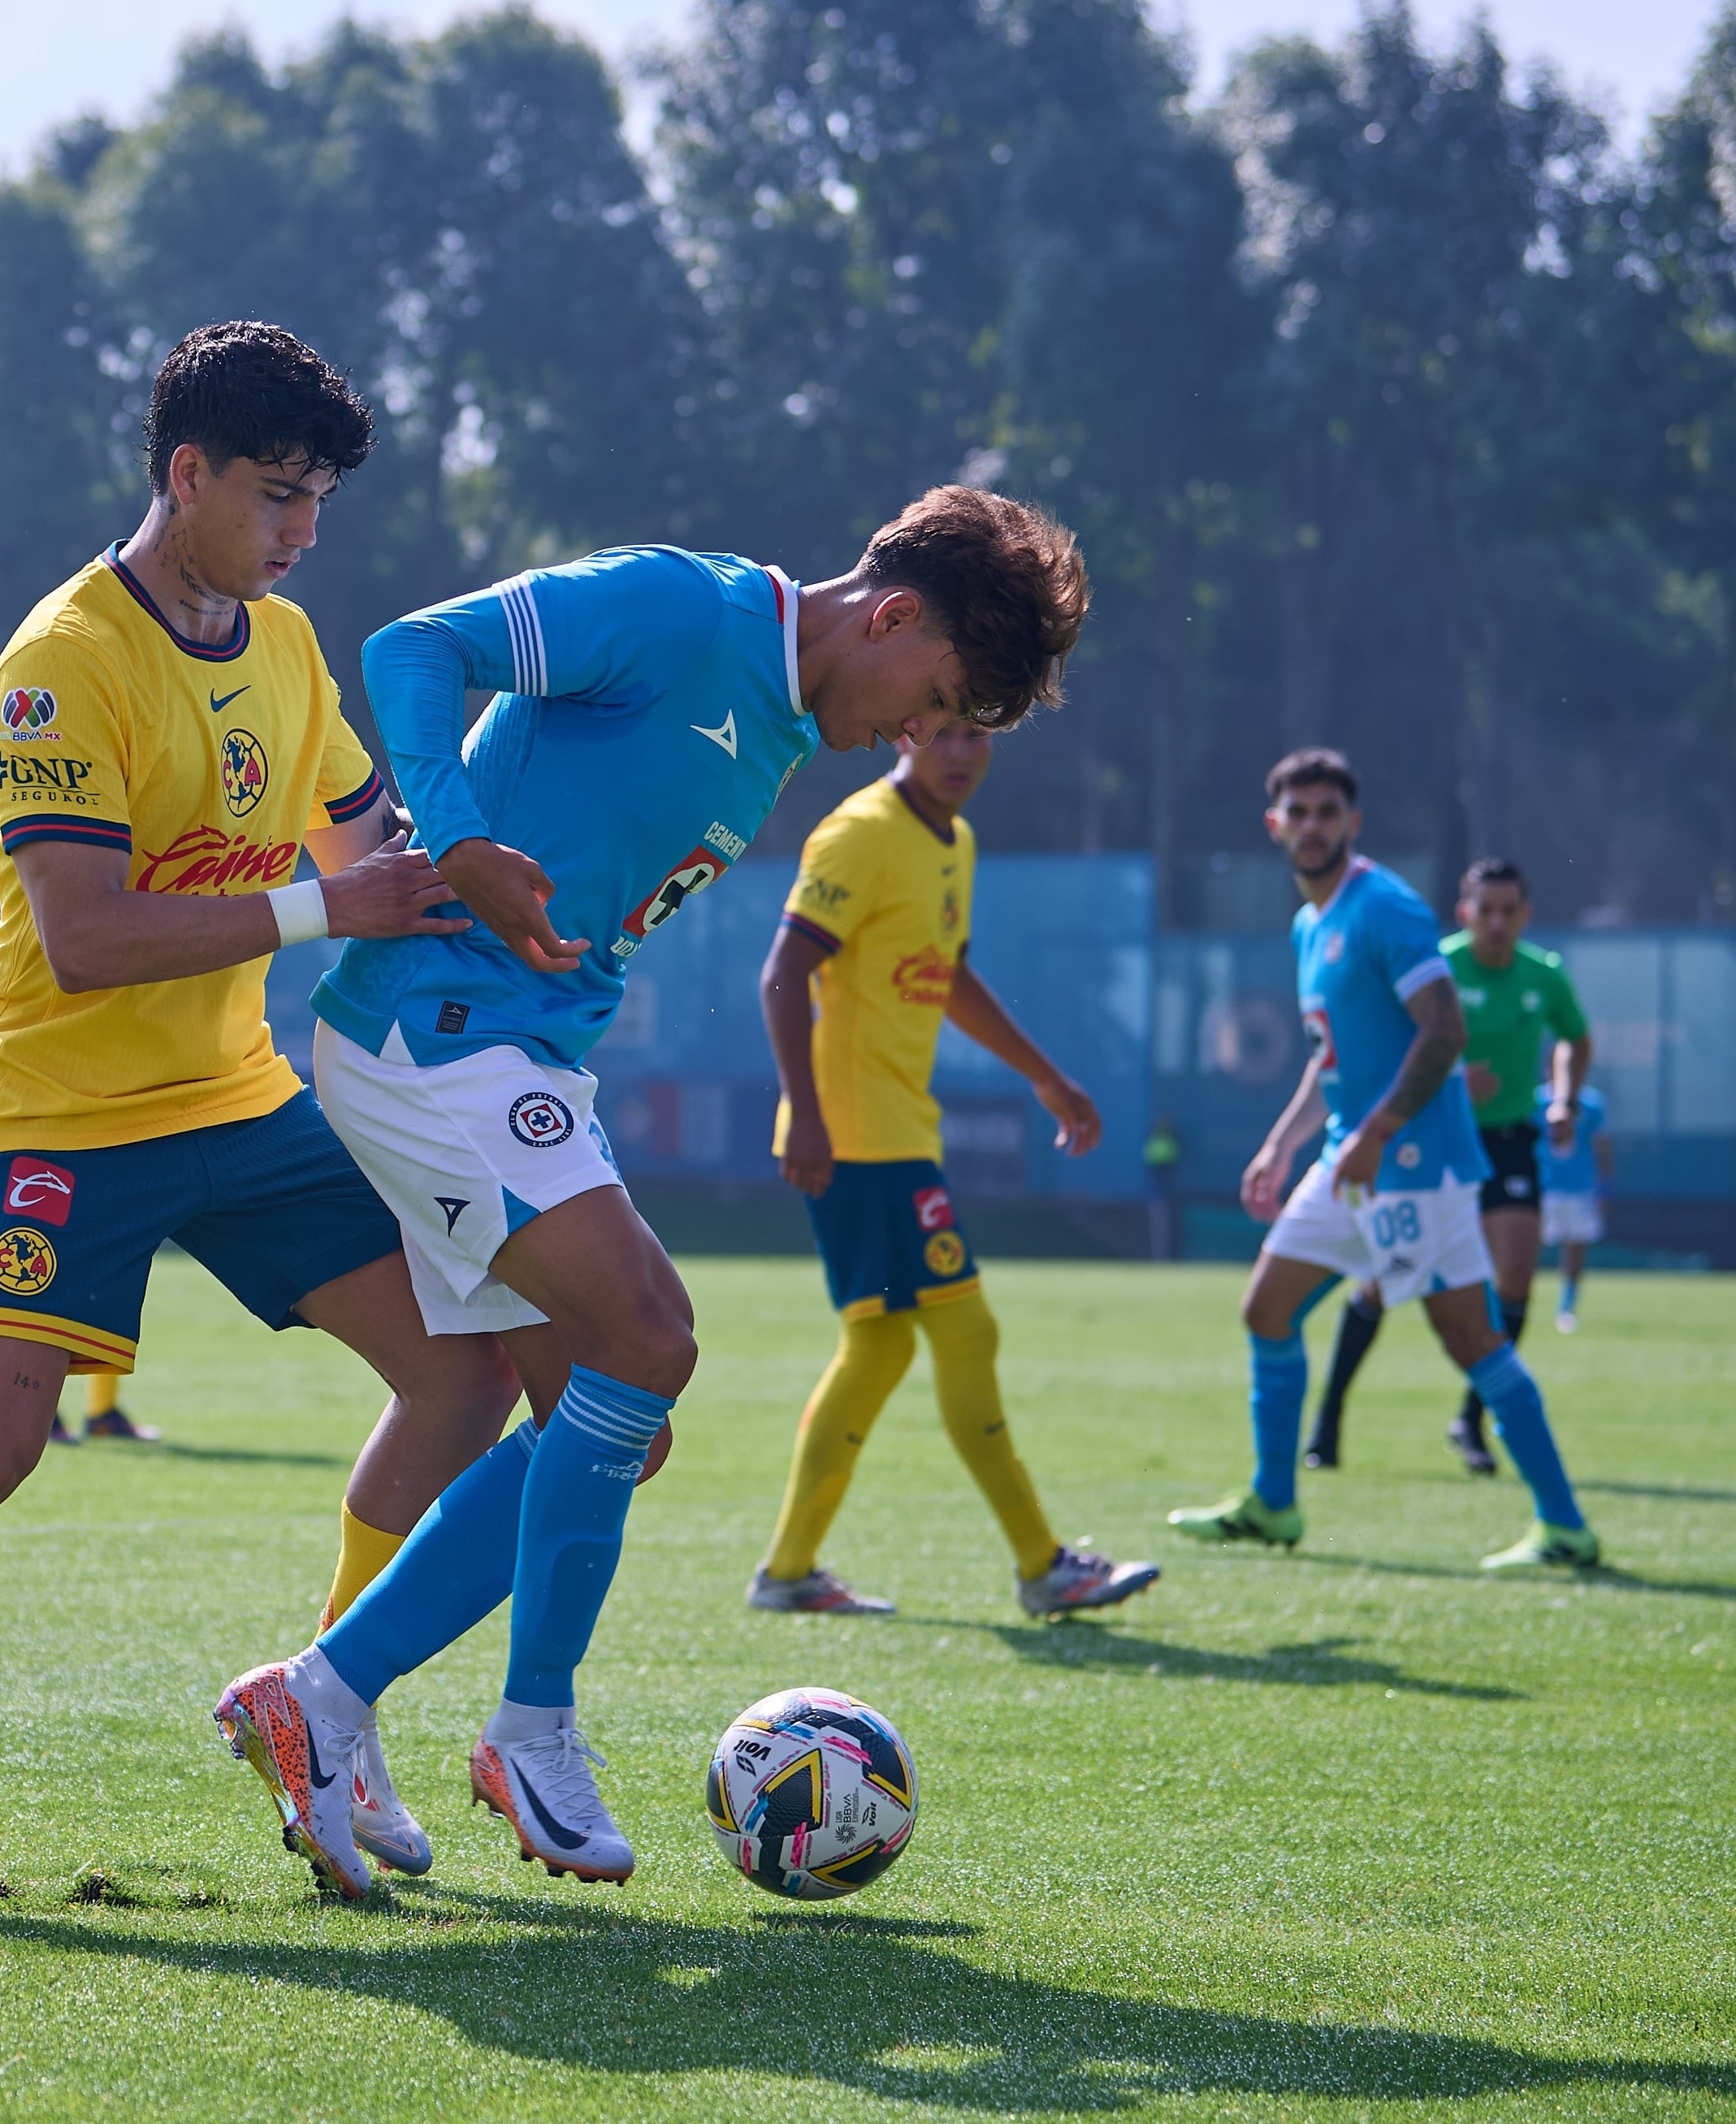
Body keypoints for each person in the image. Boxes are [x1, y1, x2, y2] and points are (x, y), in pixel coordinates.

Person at [0, 322, 524, 1896]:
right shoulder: (62, 660)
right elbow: (88, 932)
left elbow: (364, 850)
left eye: (316, 501)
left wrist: (495, 901)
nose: (300, 532)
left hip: (238, 1102)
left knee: (466, 1376)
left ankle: (327, 1714)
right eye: (275, 495)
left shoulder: (286, 643)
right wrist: (335, 913)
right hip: (53, 1110)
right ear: (183, 474)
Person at [213, 486, 1091, 1896]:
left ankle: (324, 1696)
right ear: (892, 615)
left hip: (501, 1047)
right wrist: (455, 837)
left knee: (612, 1425)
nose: (905, 737)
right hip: (428, 1025)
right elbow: (409, 649)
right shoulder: (690, 609)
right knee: (651, 1341)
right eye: (925, 699)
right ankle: (529, 1728)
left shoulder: (794, 722)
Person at [745, 724, 1157, 1621]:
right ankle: (1043, 1565)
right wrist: (807, 1115)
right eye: (944, 732)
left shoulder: (954, 841)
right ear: (905, 732)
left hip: (897, 1135)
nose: (962, 752)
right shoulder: (859, 832)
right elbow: (782, 975)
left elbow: (949, 975)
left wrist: (1045, 1076)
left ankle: (788, 1573)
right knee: (963, 1333)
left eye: (979, 735)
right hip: (857, 1140)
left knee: (883, 1344)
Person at [1170, 750, 1600, 1572]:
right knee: (1266, 1309)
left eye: (1327, 812)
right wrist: (1283, 1140)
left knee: (1471, 1339)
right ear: (1274, 825)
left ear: (1351, 823)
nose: (1311, 827)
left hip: (1414, 1165)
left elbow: (1443, 1032)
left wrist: (1373, 1133)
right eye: (1296, 813)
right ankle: (1274, 1502)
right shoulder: (1309, 922)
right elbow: (1331, 1054)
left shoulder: (1384, 908)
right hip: (1347, 1160)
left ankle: (1564, 1526)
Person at [1304, 859, 1589, 1473]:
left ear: (1525, 915)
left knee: (1514, 1278)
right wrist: (1458, 1081)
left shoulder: (1545, 974)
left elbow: (1575, 1037)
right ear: (1464, 912)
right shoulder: (1438, 965)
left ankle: (1472, 1418)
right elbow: (1400, 1044)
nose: (1496, 922)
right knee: (1383, 1282)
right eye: (1484, 909)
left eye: (1508, 910)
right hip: (1429, 1143)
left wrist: (1563, 1094)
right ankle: (1327, 1421)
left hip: (1509, 1143)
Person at [1540, 1082, 1610, 1331]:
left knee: (1575, 1249)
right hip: (1544, 1188)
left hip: (1580, 1189)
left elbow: (1602, 1146)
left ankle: (1566, 1307)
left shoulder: (1592, 1103)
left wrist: (1604, 1188)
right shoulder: (1537, 1101)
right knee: (1518, 1244)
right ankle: (1509, 1303)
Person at [1144, 1115, 1182, 1263]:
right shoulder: (1153, 1139)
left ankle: (1164, 1256)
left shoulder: (1170, 1141)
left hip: (1166, 1180)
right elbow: (1150, 1157)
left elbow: (1171, 1157)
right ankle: (1159, 1256)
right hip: (1157, 1180)